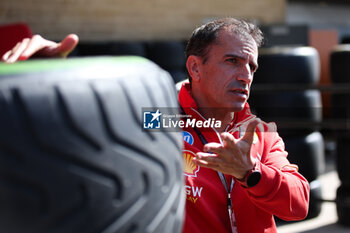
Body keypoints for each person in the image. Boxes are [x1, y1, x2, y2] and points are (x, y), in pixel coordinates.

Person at [1, 18, 309, 233]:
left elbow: (298, 205)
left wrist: (250, 173)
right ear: (194, 67)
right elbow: (85, 134)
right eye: (232, 61)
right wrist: (44, 84)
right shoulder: (156, 118)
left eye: (251, 66)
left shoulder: (259, 132)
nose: (245, 75)